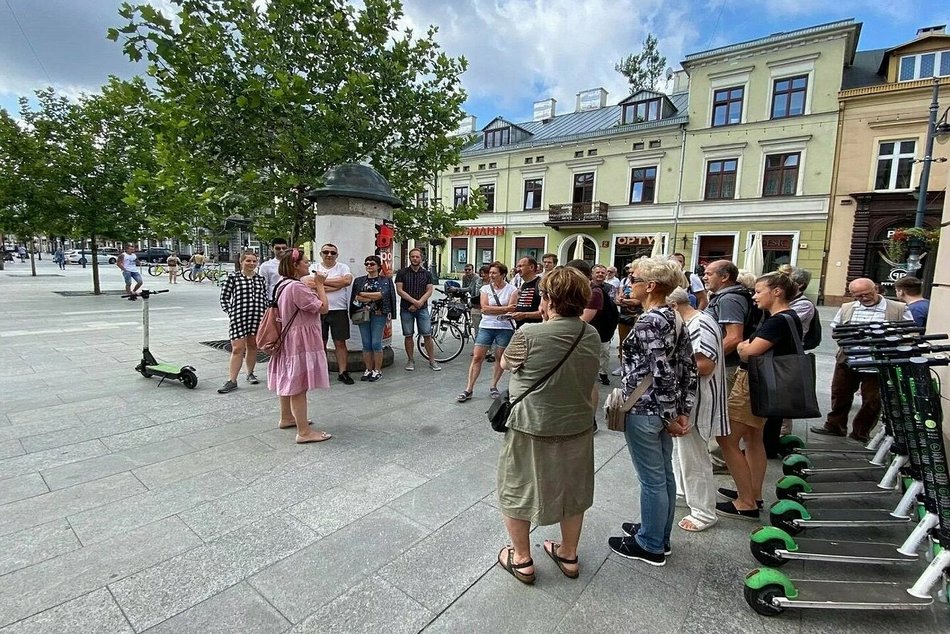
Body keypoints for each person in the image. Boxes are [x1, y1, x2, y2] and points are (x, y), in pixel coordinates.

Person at [495, 266, 601, 585]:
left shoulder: (528, 334)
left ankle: (523, 559)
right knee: (574, 491)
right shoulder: (590, 333)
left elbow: (505, 364)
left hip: (531, 426)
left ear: (548, 299)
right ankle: (568, 554)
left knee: (516, 488)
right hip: (578, 424)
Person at [607, 256, 697, 566]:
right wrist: (681, 408)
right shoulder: (674, 316)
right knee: (664, 477)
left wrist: (672, 414)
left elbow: (662, 371)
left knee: (652, 480)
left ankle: (650, 544)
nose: (629, 283)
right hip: (659, 410)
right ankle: (658, 533)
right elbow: (687, 365)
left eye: (634, 279)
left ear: (651, 286)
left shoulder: (649, 320)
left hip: (646, 410)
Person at [716, 270, 802, 520]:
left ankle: (745, 501)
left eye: (758, 291)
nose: (754, 296)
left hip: (753, 385)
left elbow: (748, 352)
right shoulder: (790, 317)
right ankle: (753, 493)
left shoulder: (777, 320)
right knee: (754, 439)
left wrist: (743, 347)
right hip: (766, 385)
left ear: (777, 291)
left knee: (727, 440)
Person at [810, 278, 912, 443]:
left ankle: (860, 433)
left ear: (876, 289)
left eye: (867, 294)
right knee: (840, 393)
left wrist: (889, 340)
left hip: (878, 363)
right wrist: (847, 338)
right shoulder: (848, 308)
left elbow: (908, 334)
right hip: (849, 359)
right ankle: (835, 426)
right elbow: (837, 330)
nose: (864, 298)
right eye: (858, 296)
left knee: (872, 400)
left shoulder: (898, 308)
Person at [667, 287, 726, 532]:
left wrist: (666, 367)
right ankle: (684, 492)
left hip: (697, 400)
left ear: (674, 307)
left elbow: (704, 365)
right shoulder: (698, 320)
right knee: (683, 453)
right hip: (691, 399)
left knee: (695, 458)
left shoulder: (698, 325)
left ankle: (703, 512)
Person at [267, 247, 333, 444]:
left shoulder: (282, 283)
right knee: (298, 386)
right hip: (299, 341)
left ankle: (287, 417)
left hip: (287, 337)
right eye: (305, 262)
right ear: (295, 266)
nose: (308, 265)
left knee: (288, 379)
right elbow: (323, 308)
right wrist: (320, 285)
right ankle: (304, 432)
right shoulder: (297, 287)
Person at [457, 261, 516, 402]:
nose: (491, 275)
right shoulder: (485, 289)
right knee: (477, 357)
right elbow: (484, 308)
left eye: (494, 273)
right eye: (490, 273)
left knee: (499, 357)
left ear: (502, 274)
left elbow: (512, 309)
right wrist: (504, 309)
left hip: (505, 328)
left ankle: (493, 386)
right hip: (487, 326)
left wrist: (494, 309)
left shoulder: (512, 290)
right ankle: (469, 389)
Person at [217, 251, 269, 394]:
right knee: (237, 348)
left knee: (253, 346)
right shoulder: (233, 277)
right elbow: (224, 297)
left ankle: (250, 373)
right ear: (241, 262)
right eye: (248, 261)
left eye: (254, 261)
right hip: (239, 317)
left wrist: (265, 314)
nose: (251, 264)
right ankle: (232, 380)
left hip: (257, 317)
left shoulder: (260, 279)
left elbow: (265, 298)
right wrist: (231, 312)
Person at [312, 243, 354, 385]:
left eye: (332, 252)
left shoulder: (343, 267)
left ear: (337, 255)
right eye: (326, 252)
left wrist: (320, 283)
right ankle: (322, 372)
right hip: (318, 310)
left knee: (340, 343)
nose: (329, 255)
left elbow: (347, 281)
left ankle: (343, 372)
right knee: (320, 343)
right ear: (321, 254)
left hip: (339, 310)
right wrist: (337, 284)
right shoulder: (314, 268)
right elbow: (309, 284)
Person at [350, 255, 396, 382]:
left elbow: (382, 295)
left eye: (372, 264)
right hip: (362, 314)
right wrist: (373, 297)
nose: (369, 266)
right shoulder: (359, 280)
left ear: (378, 266)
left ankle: (377, 370)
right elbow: (356, 297)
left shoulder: (385, 280)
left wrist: (365, 295)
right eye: (367, 264)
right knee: (366, 343)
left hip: (379, 315)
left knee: (376, 343)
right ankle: (368, 369)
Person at [395, 247, 441, 371]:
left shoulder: (427, 274)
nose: (415, 259)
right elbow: (399, 290)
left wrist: (419, 303)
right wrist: (414, 302)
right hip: (406, 308)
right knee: (408, 335)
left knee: (427, 334)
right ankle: (410, 360)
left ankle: (432, 360)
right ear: (409, 258)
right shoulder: (402, 273)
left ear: (421, 258)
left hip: (422, 308)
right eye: (412, 256)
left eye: (417, 256)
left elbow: (429, 290)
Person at [612, 264, 643, 376]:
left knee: (636, 343)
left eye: (632, 272)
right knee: (623, 342)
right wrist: (626, 300)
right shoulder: (624, 281)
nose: (630, 274)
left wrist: (624, 301)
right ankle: (622, 365)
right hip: (624, 316)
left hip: (637, 316)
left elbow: (638, 301)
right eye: (628, 271)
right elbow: (618, 298)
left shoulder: (641, 284)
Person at [509, 257, 543, 328]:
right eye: (517, 266)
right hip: (521, 328)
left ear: (531, 267)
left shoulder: (540, 284)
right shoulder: (523, 285)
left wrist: (524, 315)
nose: (517, 270)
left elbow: (544, 311)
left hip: (535, 329)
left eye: (521, 266)